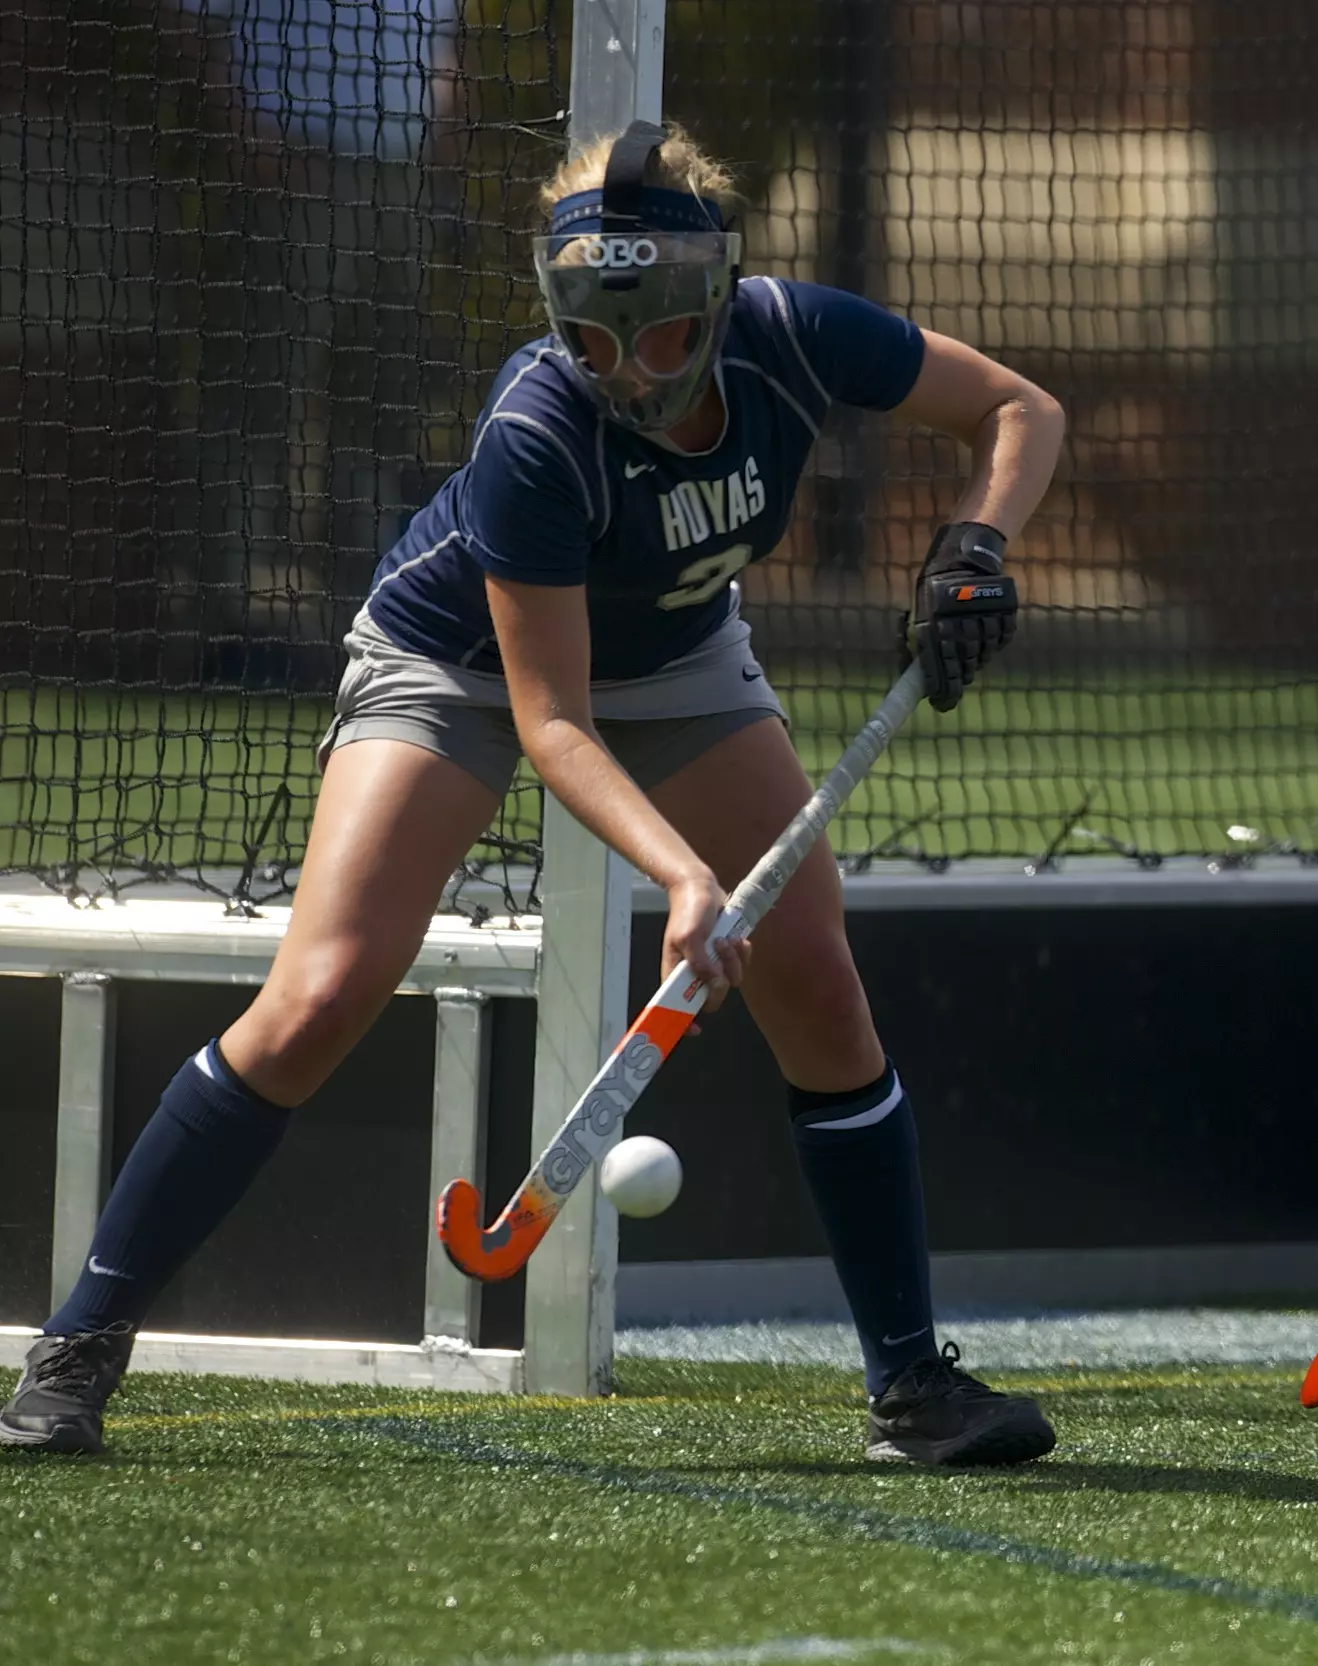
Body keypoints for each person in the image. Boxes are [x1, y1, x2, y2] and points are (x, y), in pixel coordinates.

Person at [0, 121, 1065, 1467]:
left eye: (662, 339)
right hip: (454, 664)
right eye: (593, 339)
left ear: (718, 302)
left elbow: (1021, 408)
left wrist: (975, 547)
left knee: (815, 972)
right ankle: (75, 1352)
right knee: (323, 991)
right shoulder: (537, 425)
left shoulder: (798, 336)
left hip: (680, 656)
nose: (628, 375)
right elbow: (550, 719)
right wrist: (682, 876)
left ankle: (913, 1387)